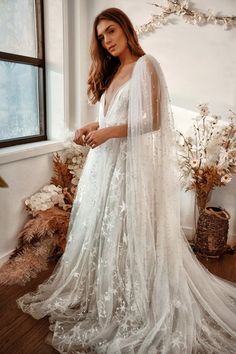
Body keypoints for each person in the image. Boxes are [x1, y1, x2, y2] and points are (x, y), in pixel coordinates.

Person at [17, 7, 236, 354]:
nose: (106, 41)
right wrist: (92, 128)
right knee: (105, 229)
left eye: (110, 32)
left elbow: (152, 121)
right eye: (101, 37)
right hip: (104, 166)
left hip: (127, 167)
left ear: (125, 29)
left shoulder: (146, 65)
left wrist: (107, 133)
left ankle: (136, 295)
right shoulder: (114, 71)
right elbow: (112, 115)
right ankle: (107, 290)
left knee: (127, 228)